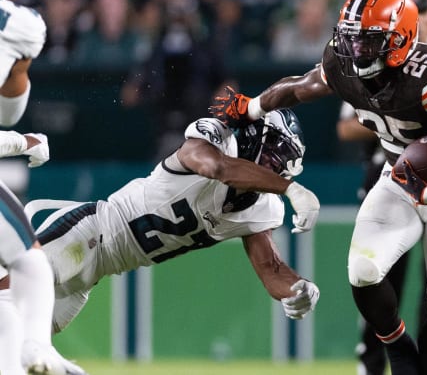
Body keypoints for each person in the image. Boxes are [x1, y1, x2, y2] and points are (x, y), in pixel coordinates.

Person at [210, 0, 427, 375]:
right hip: (398, 174)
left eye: (368, 41)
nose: (355, 51)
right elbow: (300, 87)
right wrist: (251, 107)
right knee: (363, 271)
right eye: (350, 39)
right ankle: (398, 349)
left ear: (400, 40)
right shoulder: (341, 64)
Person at [1, 107, 321, 335]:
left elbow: (271, 271)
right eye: (273, 157)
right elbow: (217, 168)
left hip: (95, 273)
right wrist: (290, 188)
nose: (274, 170)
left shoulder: (262, 208)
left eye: (279, 166)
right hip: (89, 233)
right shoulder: (215, 142)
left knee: (17, 347)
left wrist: (298, 288)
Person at [336, 0, 427, 375]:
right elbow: (346, 126)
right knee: (379, 270)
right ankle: (372, 361)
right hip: (387, 169)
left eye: (424, 9)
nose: (421, 16)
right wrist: (396, 118)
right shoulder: (365, 52)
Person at [0, 0, 87, 374]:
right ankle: (37, 349)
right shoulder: (22, 24)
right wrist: (24, 143)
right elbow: (9, 112)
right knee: (30, 264)